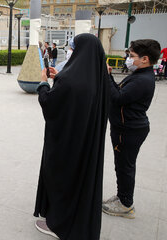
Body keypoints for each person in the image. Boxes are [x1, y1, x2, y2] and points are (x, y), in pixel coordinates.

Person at [34, 33, 110, 240]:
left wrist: (43, 83)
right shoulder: (99, 78)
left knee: (62, 178)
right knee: (79, 182)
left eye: (74, 48)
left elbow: (49, 104)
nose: (71, 52)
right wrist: (58, 76)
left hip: (66, 143)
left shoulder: (69, 81)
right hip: (87, 143)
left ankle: (58, 223)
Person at [102, 39, 161, 219]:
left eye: (132, 56)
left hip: (128, 130)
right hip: (127, 128)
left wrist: (106, 76)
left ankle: (126, 204)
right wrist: (110, 77)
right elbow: (120, 93)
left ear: (144, 59)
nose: (128, 58)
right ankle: (122, 197)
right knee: (122, 165)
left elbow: (117, 98)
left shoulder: (142, 80)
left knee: (125, 166)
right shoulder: (140, 75)